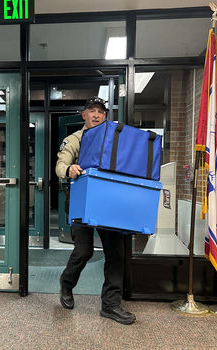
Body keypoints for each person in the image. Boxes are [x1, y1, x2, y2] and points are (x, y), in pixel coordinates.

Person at [55, 96, 136, 325]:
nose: (96, 115)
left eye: (101, 111)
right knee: (84, 251)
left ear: (105, 116)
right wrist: (69, 168)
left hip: (109, 202)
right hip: (82, 200)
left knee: (115, 253)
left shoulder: (115, 140)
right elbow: (60, 165)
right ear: (84, 115)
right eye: (92, 110)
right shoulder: (75, 139)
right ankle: (67, 283)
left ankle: (110, 305)